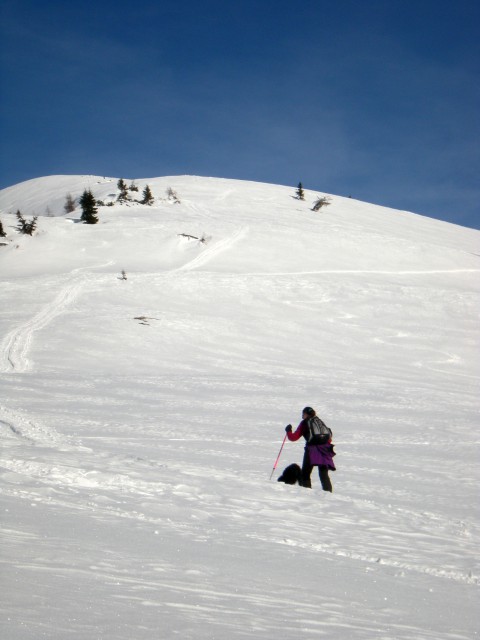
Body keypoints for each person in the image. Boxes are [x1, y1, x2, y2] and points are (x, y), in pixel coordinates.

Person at [285, 406, 335, 491]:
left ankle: (307, 494)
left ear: (305, 414)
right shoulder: (319, 421)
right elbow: (329, 439)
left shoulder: (305, 423)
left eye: (303, 414)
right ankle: (328, 495)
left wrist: (288, 431)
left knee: (305, 473)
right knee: (323, 474)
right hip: (325, 450)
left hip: (311, 450)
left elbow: (294, 438)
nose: (302, 416)